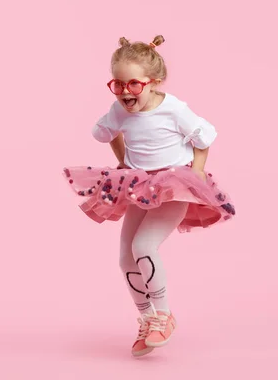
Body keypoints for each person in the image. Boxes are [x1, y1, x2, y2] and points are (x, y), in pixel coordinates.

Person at [62, 35, 235, 357]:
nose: (126, 92)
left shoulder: (174, 109)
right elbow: (108, 133)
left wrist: (197, 170)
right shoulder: (119, 109)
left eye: (135, 85)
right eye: (119, 84)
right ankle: (146, 318)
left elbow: (203, 138)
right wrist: (123, 159)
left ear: (154, 83)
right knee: (126, 256)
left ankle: (164, 316)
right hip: (139, 185)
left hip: (173, 184)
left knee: (144, 245)